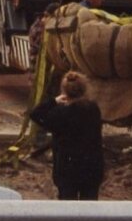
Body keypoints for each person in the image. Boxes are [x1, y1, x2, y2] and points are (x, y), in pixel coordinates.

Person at [29, 70, 104, 201]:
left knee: (68, 207)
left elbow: (35, 114)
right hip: (92, 167)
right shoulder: (93, 109)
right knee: (91, 207)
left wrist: (54, 101)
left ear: (64, 92)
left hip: (67, 168)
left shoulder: (59, 114)